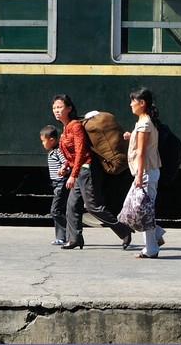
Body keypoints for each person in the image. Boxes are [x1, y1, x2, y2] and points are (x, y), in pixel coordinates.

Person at [51, 94, 133, 250]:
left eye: (60, 107)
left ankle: (124, 230)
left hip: (87, 169)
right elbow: (74, 154)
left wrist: (73, 175)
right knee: (72, 206)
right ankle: (75, 239)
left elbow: (82, 151)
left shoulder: (75, 126)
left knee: (93, 205)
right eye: (54, 108)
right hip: (79, 169)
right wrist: (65, 165)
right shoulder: (66, 127)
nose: (56, 110)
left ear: (69, 108)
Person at [123, 86, 167, 259]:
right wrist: (131, 135)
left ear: (142, 103)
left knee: (143, 211)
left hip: (146, 171)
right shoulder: (145, 122)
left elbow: (141, 152)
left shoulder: (144, 124)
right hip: (149, 170)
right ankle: (155, 235)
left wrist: (139, 176)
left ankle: (151, 249)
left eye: (133, 101)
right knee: (142, 209)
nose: (130, 105)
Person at [40, 125, 69, 246]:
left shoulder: (58, 151)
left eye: (43, 141)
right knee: (58, 210)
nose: (42, 144)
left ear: (51, 140)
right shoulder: (53, 151)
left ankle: (66, 234)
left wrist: (63, 170)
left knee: (55, 210)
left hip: (61, 183)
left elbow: (66, 164)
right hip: (56, 183)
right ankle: (61, 237)